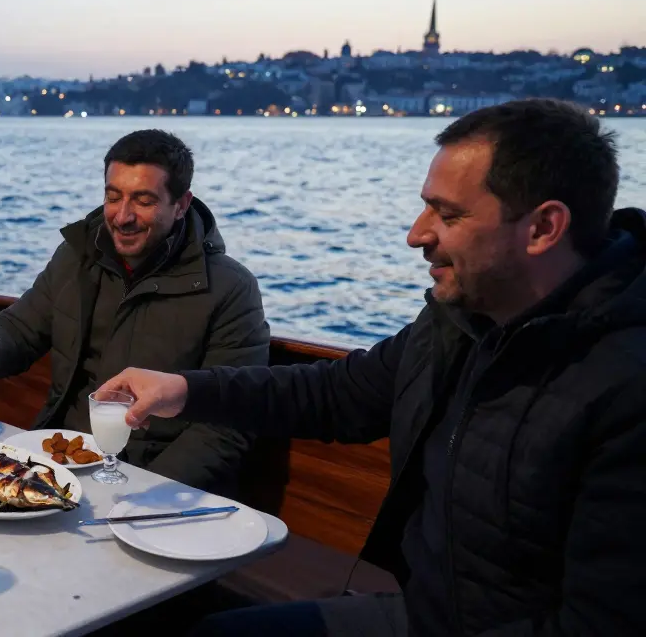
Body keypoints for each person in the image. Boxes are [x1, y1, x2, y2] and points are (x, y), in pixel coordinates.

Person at [98, 99, 646, 636]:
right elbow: (337, 394)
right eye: (426, 206)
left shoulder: (623, 383)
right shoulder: (461, 321)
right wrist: (183, 390)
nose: (417, 234)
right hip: (425, 612)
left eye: (448, 214)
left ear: (543, 228)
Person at [0, 129, 270, 496]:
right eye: (113, 197)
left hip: (149, 483)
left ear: (181, 205)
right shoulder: (76, 256)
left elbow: (227, 426)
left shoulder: (230, 289)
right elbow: (22, 325)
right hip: (54, 463)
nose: (122, 216)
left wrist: (142, 494)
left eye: (144, 201)